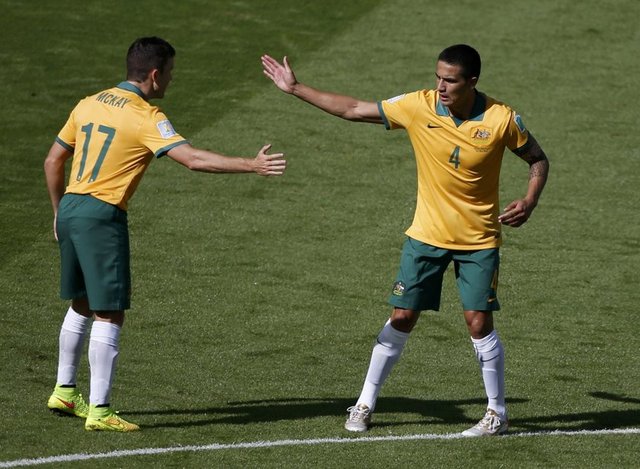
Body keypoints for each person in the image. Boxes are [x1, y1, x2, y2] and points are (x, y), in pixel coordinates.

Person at [261, 44, 549, 436]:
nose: (441, 87)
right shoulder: (419, 106)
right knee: (402, 316)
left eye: (450, 80)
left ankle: (496, 413)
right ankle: (364, 403)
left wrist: (530, 200)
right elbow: (353, 109)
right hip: (426, 236)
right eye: (438, 77)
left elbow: (537, 159)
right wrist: (296, 88)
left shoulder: (502, 119)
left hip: (478, 239)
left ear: (472, 82)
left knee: (478, 323)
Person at [44, 36, 287, 432]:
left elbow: (54, 160)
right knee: (110, 310)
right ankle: (100, 411)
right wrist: (252, 165)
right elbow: (192, 159)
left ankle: (65, 391)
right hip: (102, 215)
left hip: (71, 207)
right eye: (170, 73)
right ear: (155, 75)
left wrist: (59, 212)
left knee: (82, 301)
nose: (171, 80)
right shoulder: (146, 116)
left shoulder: (88, 103)